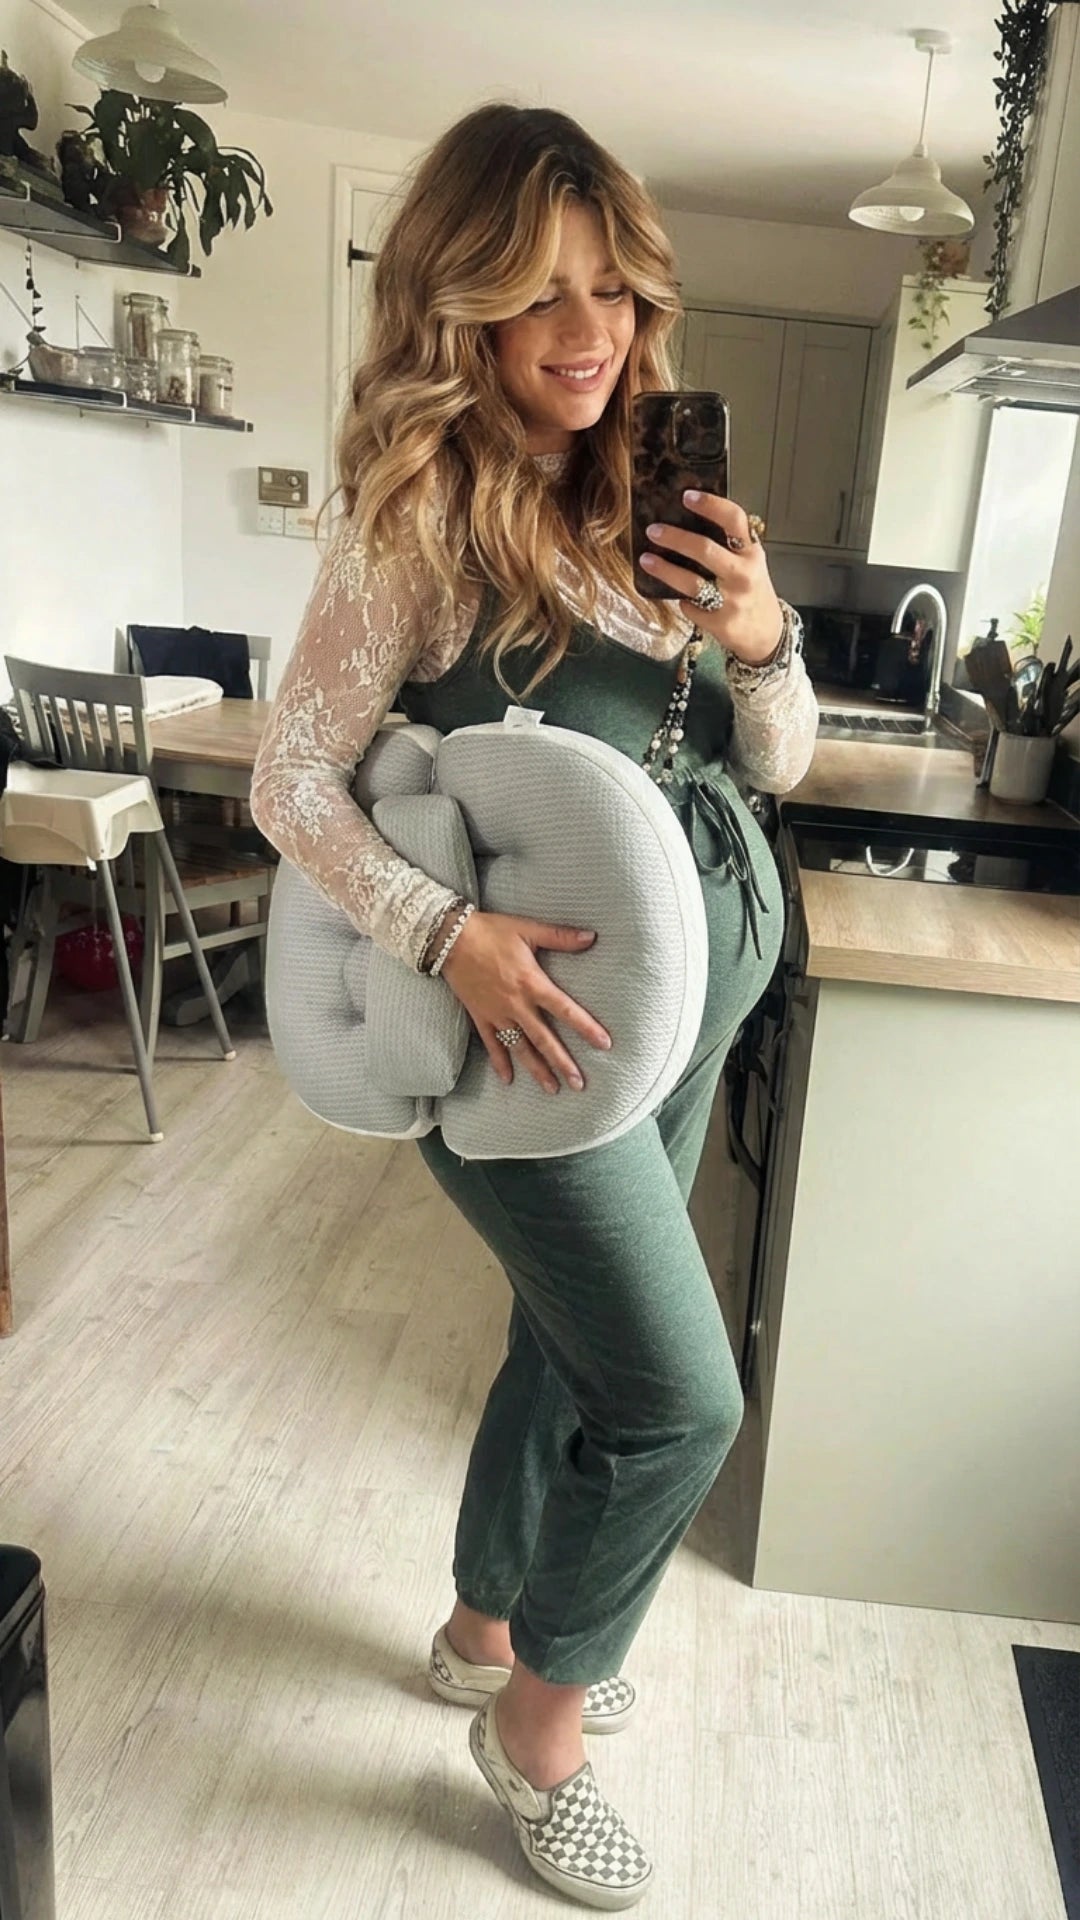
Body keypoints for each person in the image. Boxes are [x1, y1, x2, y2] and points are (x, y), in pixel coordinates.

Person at [251, 102, 818, 1912]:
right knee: (680, 1400)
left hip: (682, 1002)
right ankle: (538, 1732)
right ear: (458, 305)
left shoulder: (652, 495)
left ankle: (484, 1628)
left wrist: (763, 641)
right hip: (531, 1033)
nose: (590, 334)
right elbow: (289, 780)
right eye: (540, 294)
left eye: (614, 291)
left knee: (561, 1344)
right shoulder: (418, 514)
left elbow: (779, 764)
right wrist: (446, 938)